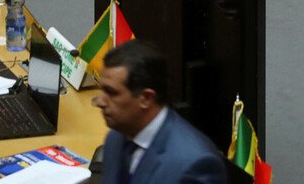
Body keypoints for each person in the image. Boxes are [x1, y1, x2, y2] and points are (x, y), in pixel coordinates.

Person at [92, 40, 227, 184]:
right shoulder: (116, 138)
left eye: (111, 93)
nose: (100, 102)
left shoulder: (195, 165)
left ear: (146, 98)